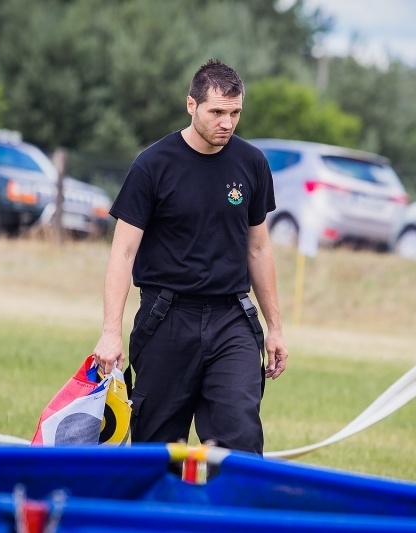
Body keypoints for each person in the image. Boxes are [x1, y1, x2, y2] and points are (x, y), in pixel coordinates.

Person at [91, 59, 288, 456]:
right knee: (156, 450)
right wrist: (111, 332)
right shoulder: (153, 165)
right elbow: (123, 252)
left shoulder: (251, 163)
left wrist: (275, 327)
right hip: (166, 319)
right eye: (217, 112)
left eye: (235, 113)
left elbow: (258, 247)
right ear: (191, 105)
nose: (227, 123)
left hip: (232, 318)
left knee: (241, 443)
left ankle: (232, 519)